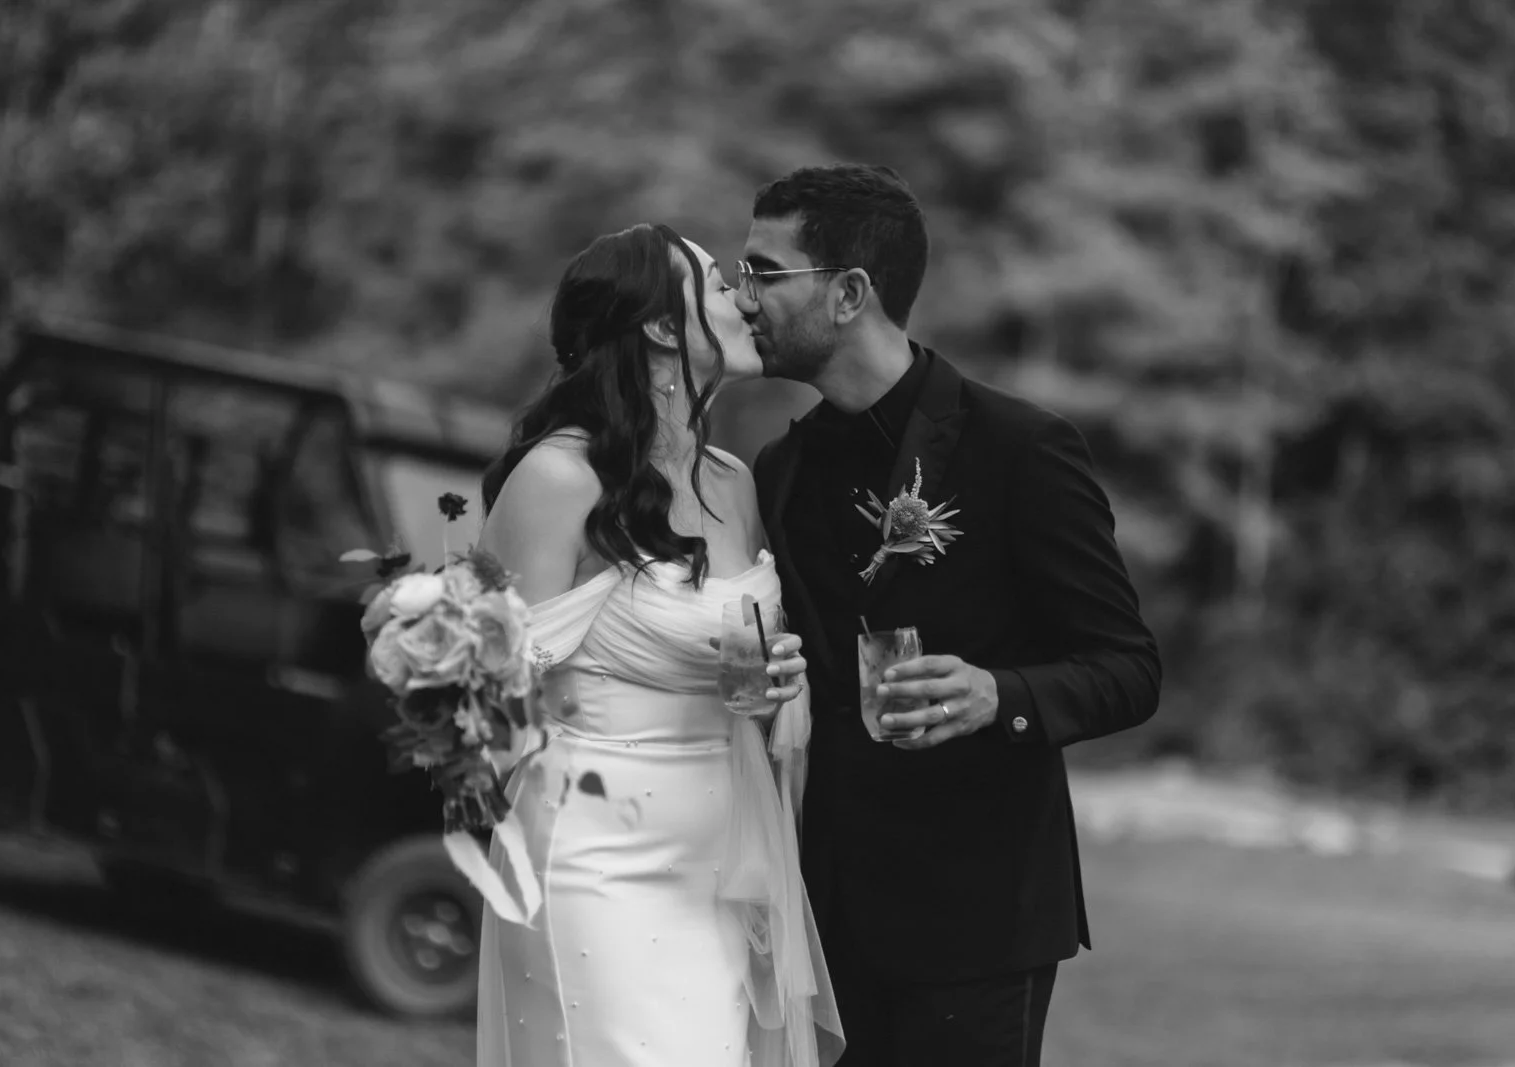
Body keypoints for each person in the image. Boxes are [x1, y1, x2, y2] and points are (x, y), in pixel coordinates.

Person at [741, 164, 1162, 1066]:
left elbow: (1128, 667)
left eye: (765, 274)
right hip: (822, 918)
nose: (744, 299)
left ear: (850, 292)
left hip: (979, 919)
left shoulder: (1022, 449)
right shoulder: (775, 472)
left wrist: (997, 693)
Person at [472, 223, 844, 1067]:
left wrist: (780, 683)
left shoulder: (735, 483)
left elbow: (747, 656)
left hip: (719, 861)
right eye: (718, 284)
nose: (746, 297)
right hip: (594, 858)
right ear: (663, 328)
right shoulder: (560, 480)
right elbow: (482, 702)